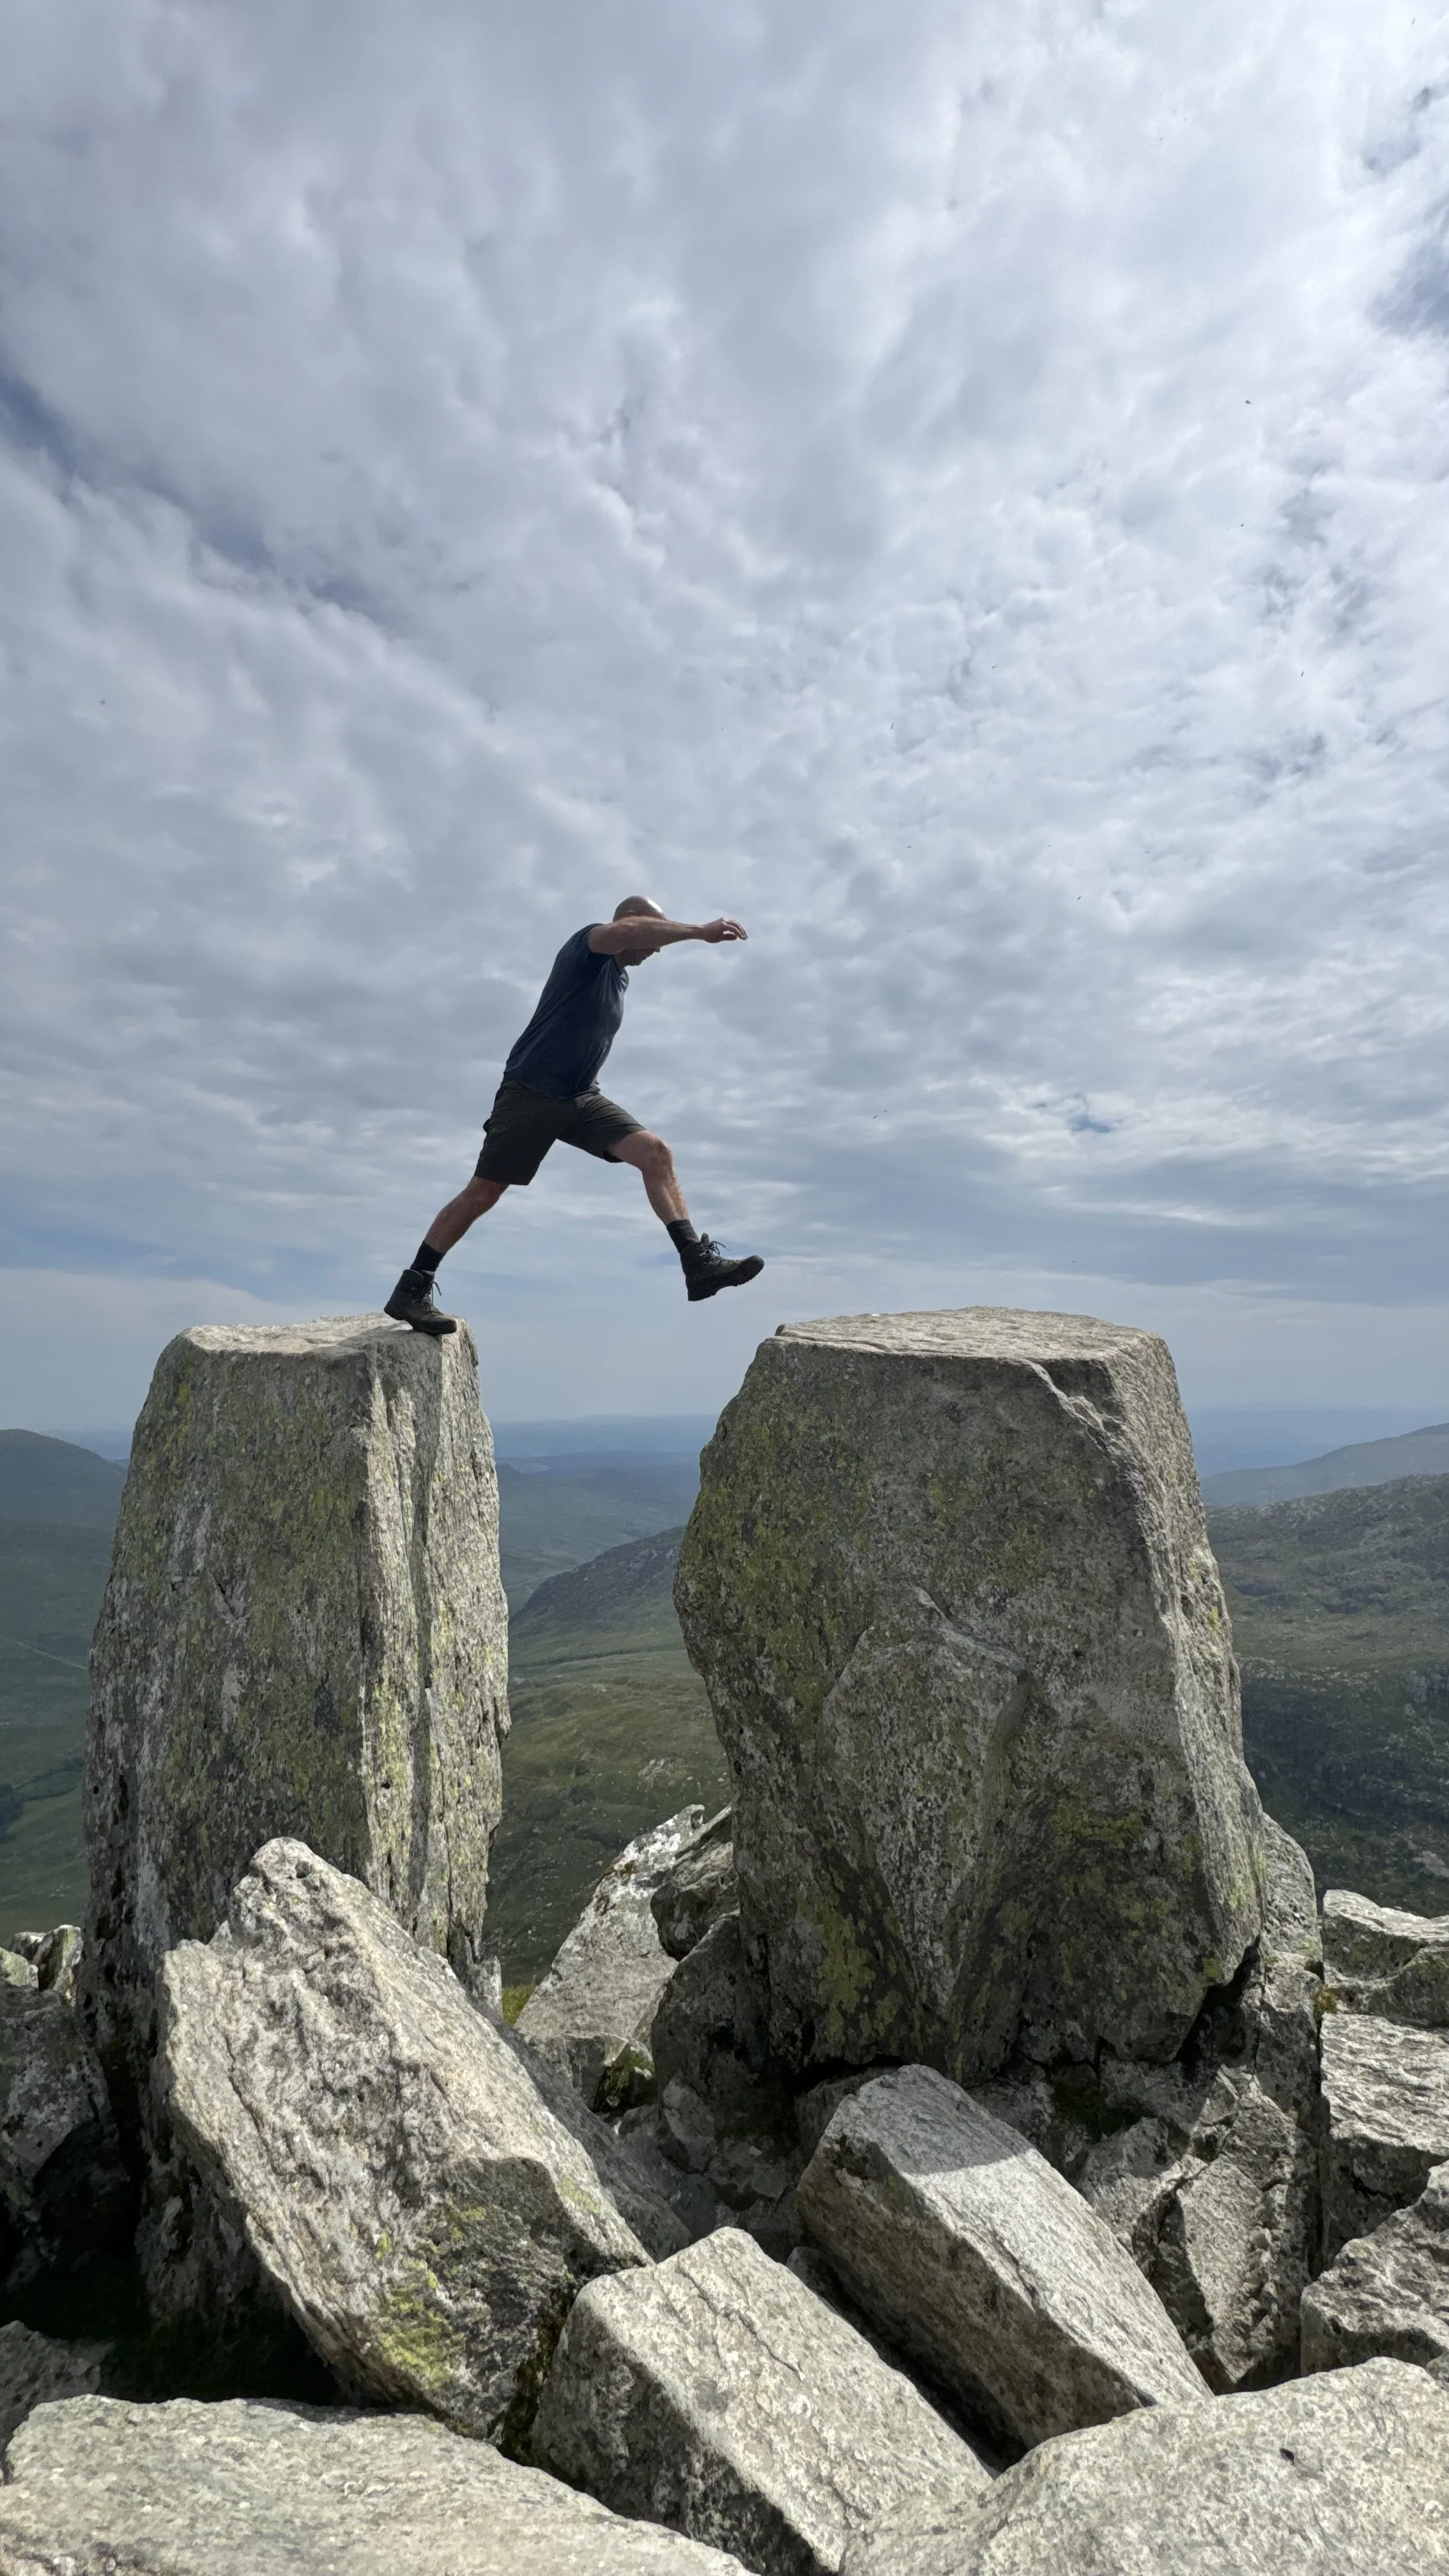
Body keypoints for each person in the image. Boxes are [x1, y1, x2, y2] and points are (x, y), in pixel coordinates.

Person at [383, 898, 765, 1335]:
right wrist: (698, 931)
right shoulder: (586, 948)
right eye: (652, 938)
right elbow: (626, 933)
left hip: (581, 1098)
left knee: (656, 1153)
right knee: (483, 1193)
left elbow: (635, 939)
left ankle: (696, 1264)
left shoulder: (618, 979)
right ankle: (412, 1289)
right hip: (531, 1091)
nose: (656, 950)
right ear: (631, 922)